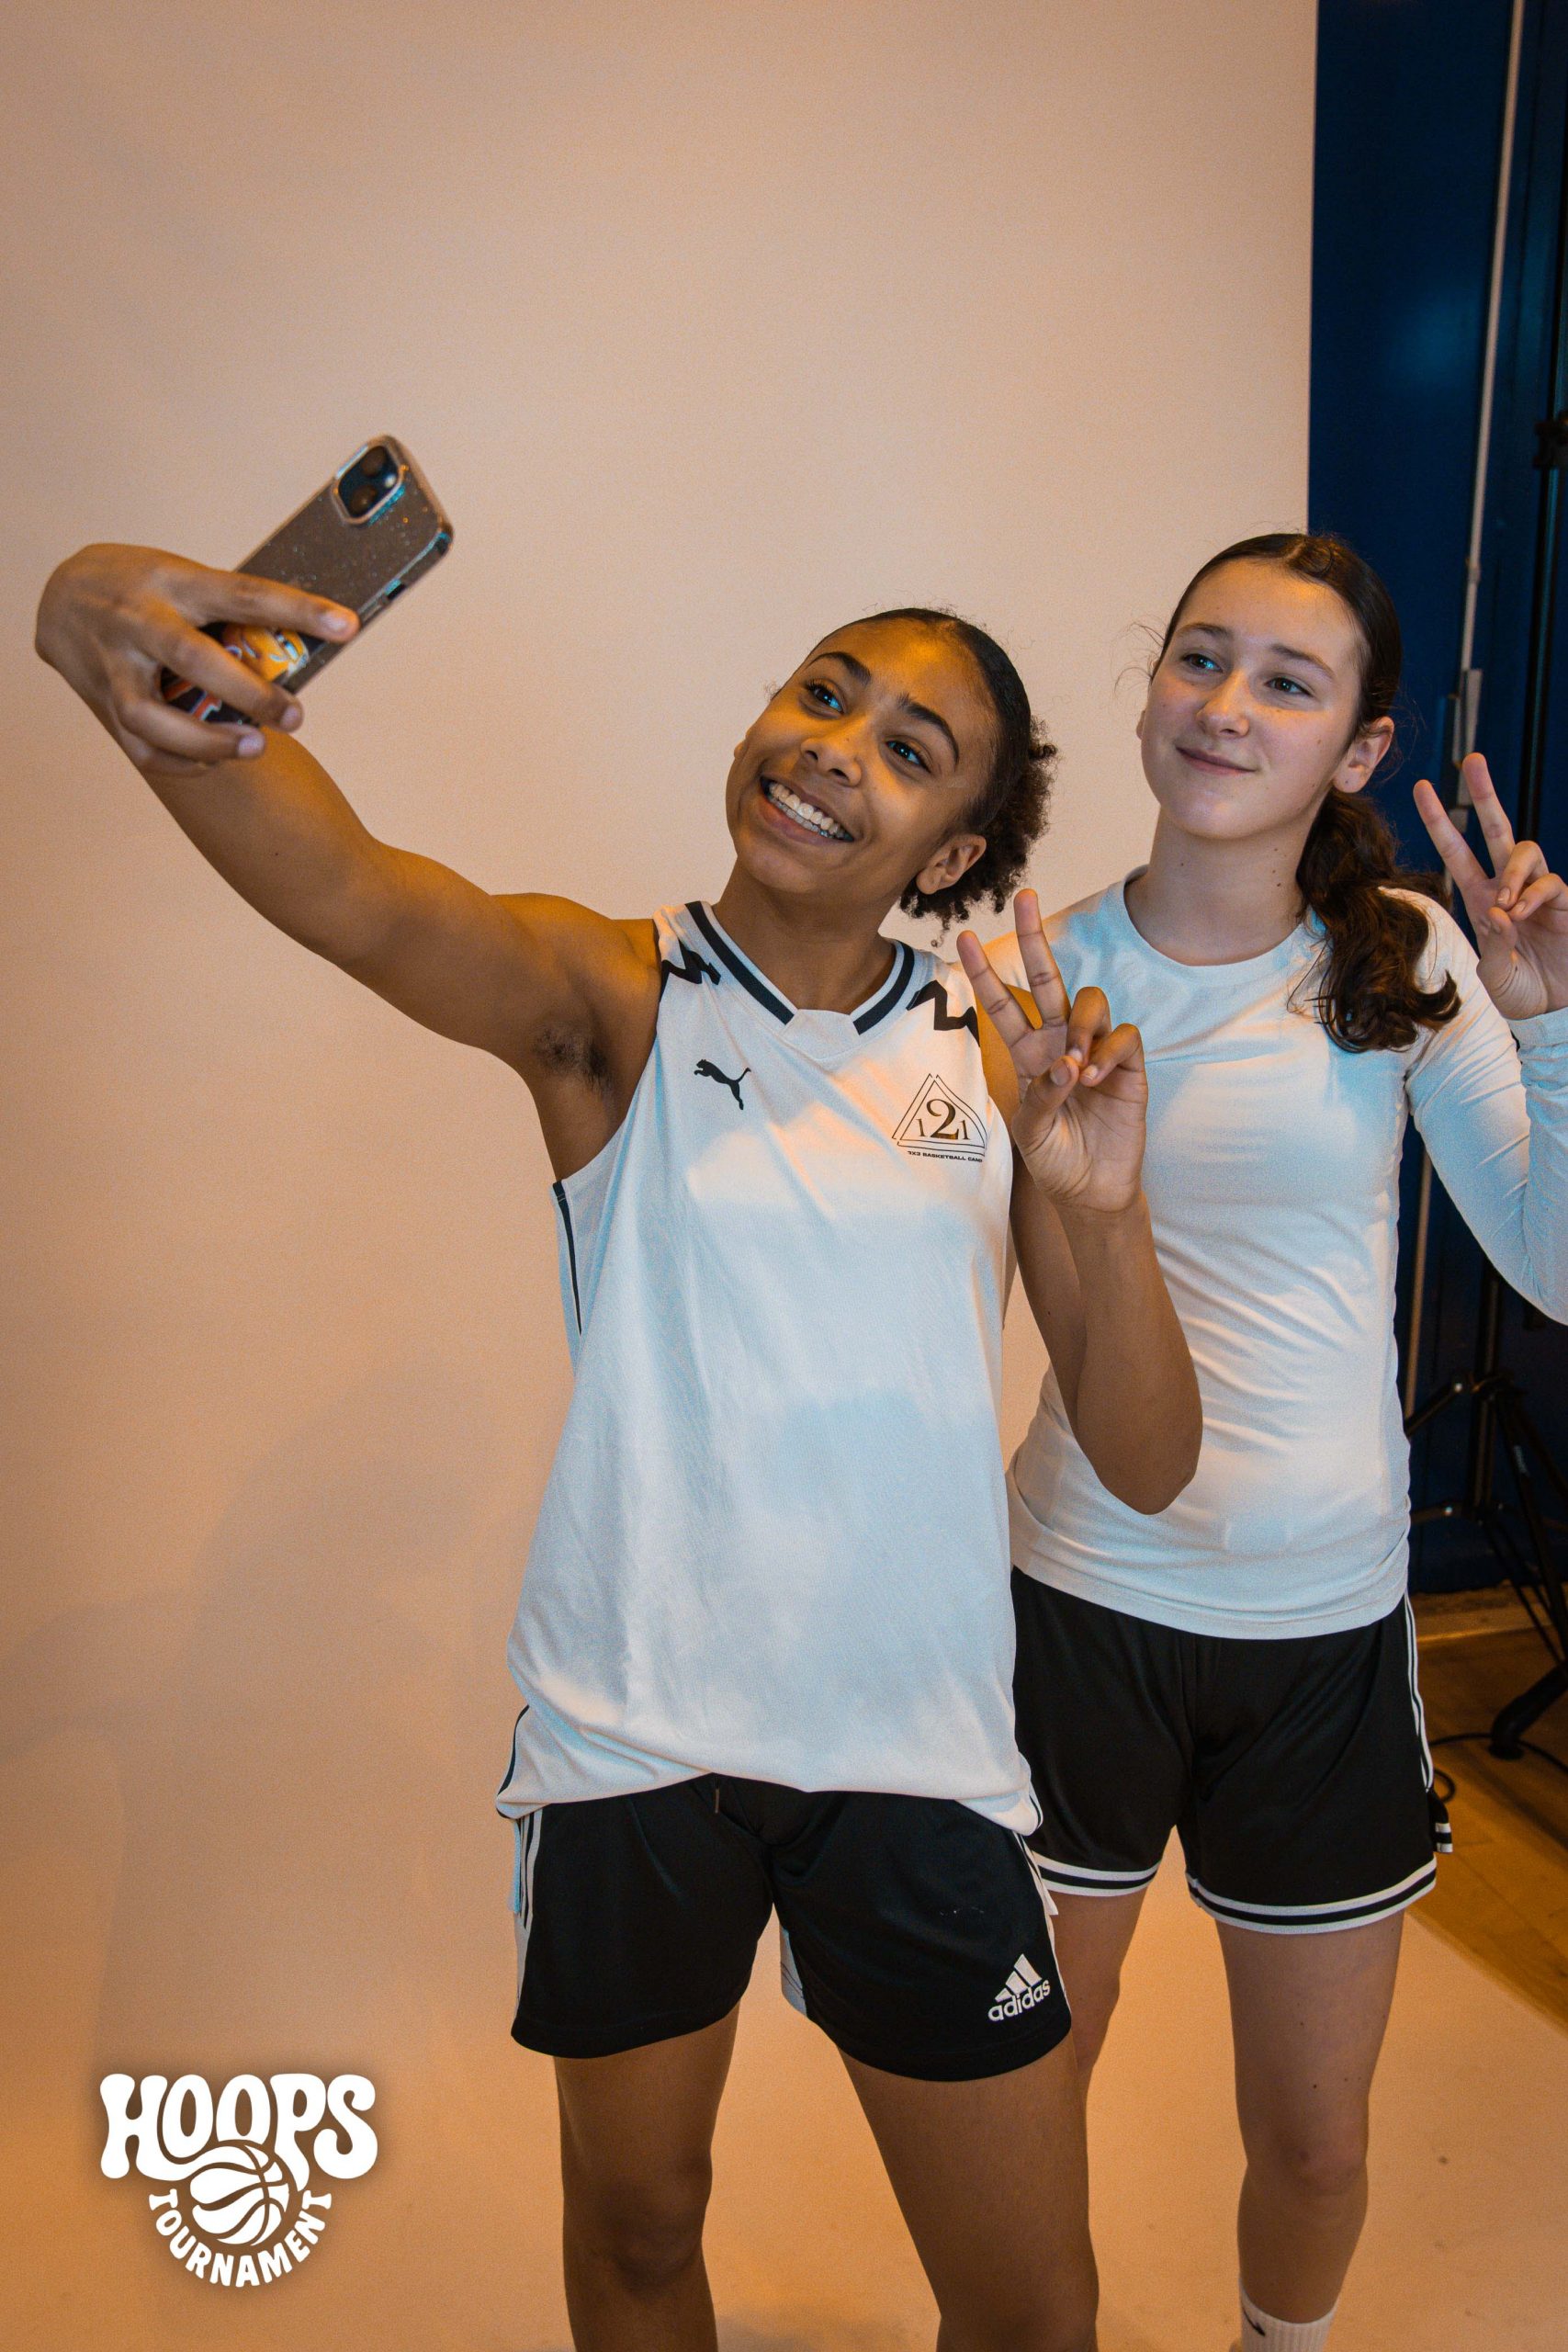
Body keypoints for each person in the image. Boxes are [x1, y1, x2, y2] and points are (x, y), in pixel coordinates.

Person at [36, 542, 1201, 2352]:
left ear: (948, 856)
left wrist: (1101, 1209)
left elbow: (1145, 1458)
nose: (836, 746)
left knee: (1032, 2306)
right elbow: (351, 892)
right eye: (823, 691)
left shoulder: (995, 1061)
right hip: (632, 1737)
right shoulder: (616, 993)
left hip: (909, 1751)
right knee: (641, 2227)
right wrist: (101, 619)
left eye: (908, 750)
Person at [966, 530, 1568, 2352]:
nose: (1227, 706)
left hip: (1321, 1636)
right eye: (1199, 658)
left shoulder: (1407, 959)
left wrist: (1550, 1030)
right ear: (1151, 686)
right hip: (1077, 1603)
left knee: (1314, 2142)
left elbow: (1554, 1264)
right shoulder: (1045, 975)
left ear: (1360, 748)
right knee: (1014, 2108)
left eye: (1287, 683)